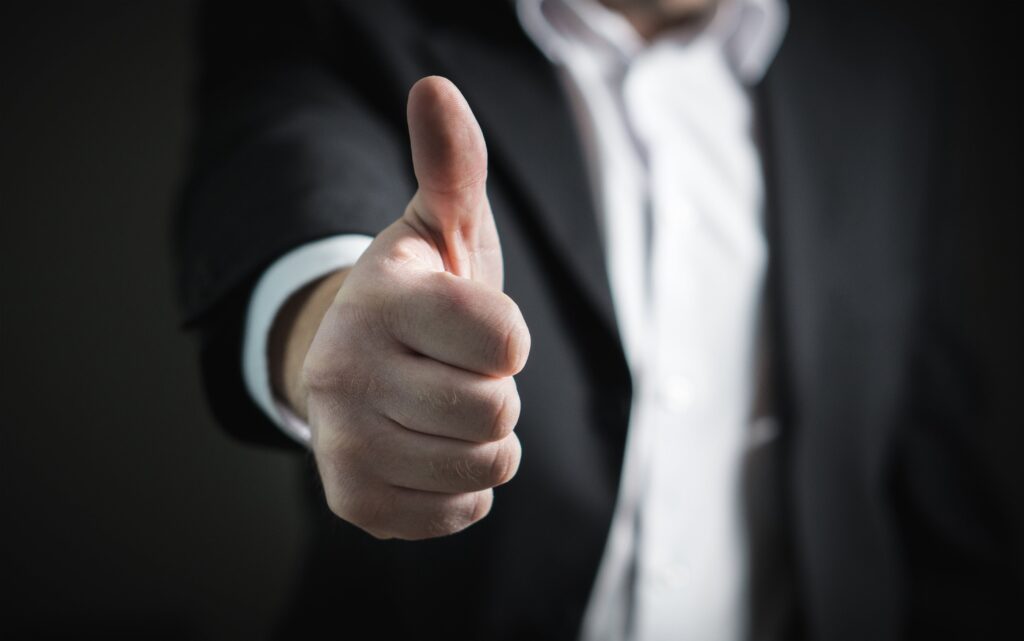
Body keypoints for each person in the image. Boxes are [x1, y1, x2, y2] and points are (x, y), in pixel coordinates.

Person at [176, 0, 1022, 639]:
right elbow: (291, 186)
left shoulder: (888, 63)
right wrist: (336, 338)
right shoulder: (350, 18)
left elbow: (932, 472)